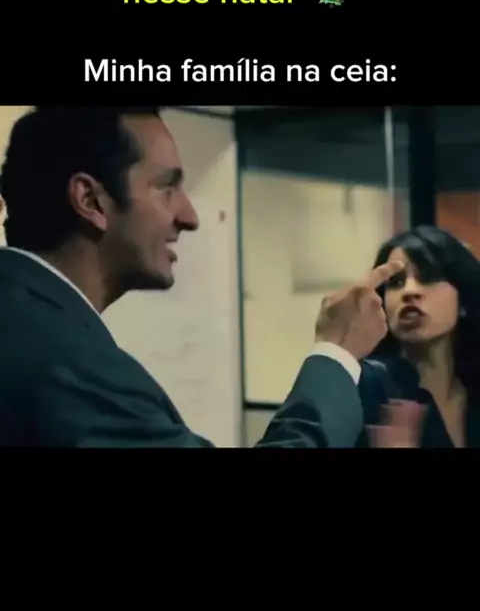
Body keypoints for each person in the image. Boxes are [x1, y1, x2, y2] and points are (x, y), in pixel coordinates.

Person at [0, 105, 403, 448]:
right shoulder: (69, 361)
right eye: (167, 187)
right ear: (90, 200)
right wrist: (337, 351)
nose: (189, 217)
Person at [358, 225, 480, 448]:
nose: (409, 291)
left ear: (463, 297)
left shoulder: (473, 390)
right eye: (396, 283)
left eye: (429, 278)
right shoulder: (366, 385)